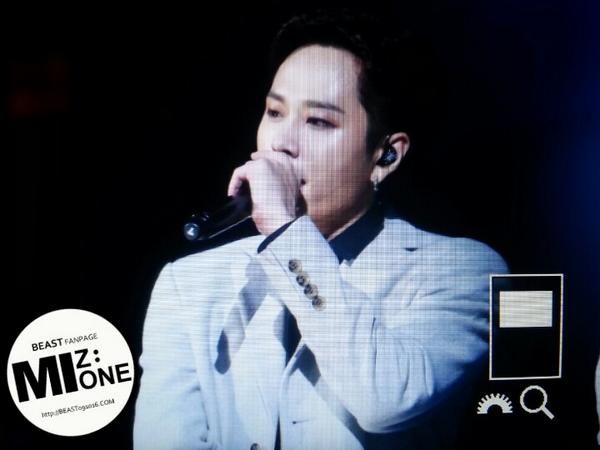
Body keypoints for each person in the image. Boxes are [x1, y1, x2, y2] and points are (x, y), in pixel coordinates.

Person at [134, 9, 508, 450]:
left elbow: (388, 400)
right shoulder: (188, 283)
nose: (281, 143)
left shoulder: (464, 269)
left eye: (318, 121)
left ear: (385, 156)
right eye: (275, 112)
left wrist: (284, 230)